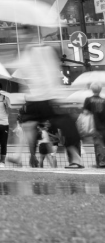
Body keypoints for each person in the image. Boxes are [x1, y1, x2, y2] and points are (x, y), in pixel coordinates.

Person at [13, 30, 83, 168]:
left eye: (24, 35)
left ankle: (76, 159)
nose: (21, 39)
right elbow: (25, 78)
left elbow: (50, 72)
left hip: (49, 97)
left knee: (65, 125)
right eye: (19, 37)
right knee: (27, 125)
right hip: (36, 97)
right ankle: (18, 155)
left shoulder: (44, 50)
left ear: (32, 35)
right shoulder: (25, 53)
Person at [82, 81, 105, 168]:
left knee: (98, 144)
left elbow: (85, 112)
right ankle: (100, 162)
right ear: (100, 89)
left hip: (95, 125)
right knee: (102, 144)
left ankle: (101, 162)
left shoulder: (88, 100)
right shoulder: (104, 100)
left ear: (92, 89)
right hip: (104, 126)